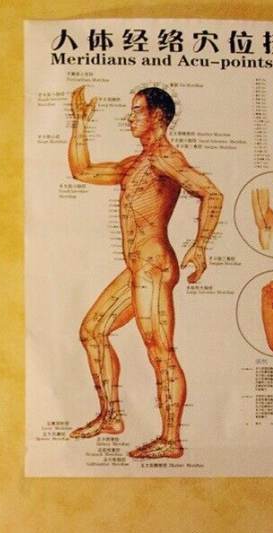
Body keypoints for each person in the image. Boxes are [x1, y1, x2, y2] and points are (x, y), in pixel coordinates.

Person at [68, 86, 223, 459]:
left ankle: (171, 440)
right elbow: (82, 171)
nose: (130, 117)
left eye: (137, 110)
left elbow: (211, 193)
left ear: (158, 116)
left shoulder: (165, 158)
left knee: (159, 350)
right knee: (92, 331)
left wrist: (200, 245)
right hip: (138, 268)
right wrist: (80, 123)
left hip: (153, 267)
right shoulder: (136, 162)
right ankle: (111, 416)